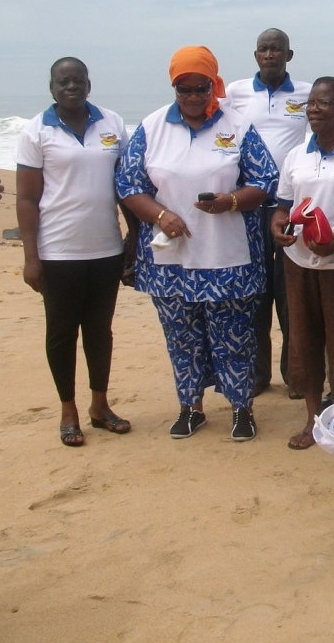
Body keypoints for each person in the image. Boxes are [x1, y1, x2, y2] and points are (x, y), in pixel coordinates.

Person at [116, 46, 277, 441]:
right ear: (173, 87)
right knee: (181, 337)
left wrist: (232, 201)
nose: (192, 96)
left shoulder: (237, 125)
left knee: (235, 337)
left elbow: (267, 180)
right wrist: (159, 215)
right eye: (183, 89)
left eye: (200, 88)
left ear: (213, 84)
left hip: (230, 257)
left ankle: (242, 409)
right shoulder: (153, 126)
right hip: (171, 262)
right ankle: (191, 407)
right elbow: (128, 184)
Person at [15, 57, 134, 447]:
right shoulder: (36, 132)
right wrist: (32, 258)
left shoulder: (113, 124)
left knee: (100, 332)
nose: (71, 86)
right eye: (63, 81)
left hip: (105, 249)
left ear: (88, 83)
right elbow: (28, 200)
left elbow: (128, 187)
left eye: (78, 80)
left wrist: (133, 240)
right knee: (62, 334)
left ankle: (100, 405)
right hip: (57, 252)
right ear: (52, 87)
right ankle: (69, 410)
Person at [271, 78, 334, 450]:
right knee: (303, 342)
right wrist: (277, 226)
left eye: (323, 103)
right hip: (298, 263)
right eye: (310, 102)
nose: (313, 108)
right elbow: (282, 206)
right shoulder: (297, 154)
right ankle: (312, 418)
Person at [225, 28, 312, 398]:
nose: (270, 54)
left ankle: (297, 375)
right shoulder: (235, 92)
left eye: (277, 49)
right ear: (256, 55)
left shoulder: (307, 93)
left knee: (291, 293)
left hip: (290, 207)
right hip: (248, 208)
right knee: (254, 294)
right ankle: (258, 375)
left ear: (289, 55)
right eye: (264, 49)